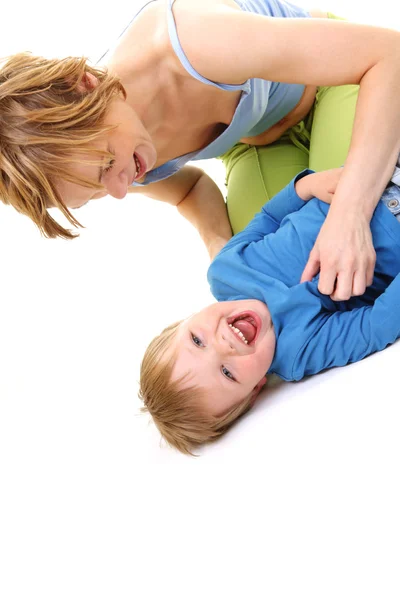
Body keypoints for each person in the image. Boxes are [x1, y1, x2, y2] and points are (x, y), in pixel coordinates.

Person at [1, 1, 400, 301]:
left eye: (106, 166)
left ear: (86, 85)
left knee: (366, 226)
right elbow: (190, 190)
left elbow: (388, 54)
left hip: (339, 82)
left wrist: (349, 213)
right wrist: (220, 252)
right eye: (96, 195)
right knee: (273, 276)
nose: (122, 189)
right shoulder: (109, 161)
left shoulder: (189, 43)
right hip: (258, 145)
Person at [139, 167, 400, 454]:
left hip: (362, 176)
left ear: (184, 321)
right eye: (227, 373)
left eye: (197, 341)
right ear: (255, 390)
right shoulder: (298, 351)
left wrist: (307, 185)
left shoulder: (225, 270)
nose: (223, 345)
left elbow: (270, 218)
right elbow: (375, 326)